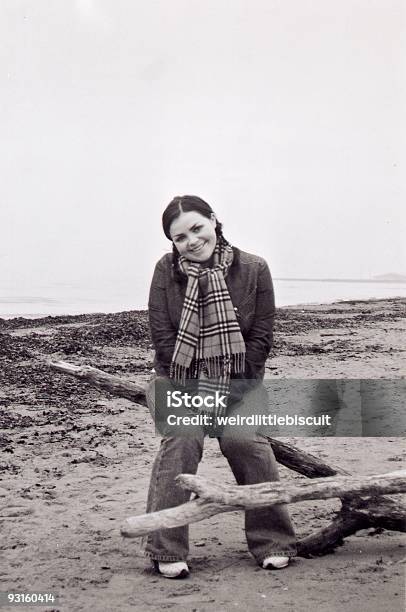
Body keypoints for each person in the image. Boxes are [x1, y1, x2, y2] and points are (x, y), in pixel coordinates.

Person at [143, 195, 296, 578]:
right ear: (173, 243)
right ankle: (166, 548)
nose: (191, 241)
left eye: (196, 228)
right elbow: (163, 340)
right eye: (179, 237)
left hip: (241, 381)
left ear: (213, 221)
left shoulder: (255, 268)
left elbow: (261, 339)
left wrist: (231, 390)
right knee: (183, 439)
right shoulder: (165, 271)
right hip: (178, 380)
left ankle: (272, 542)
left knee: (245, 441)